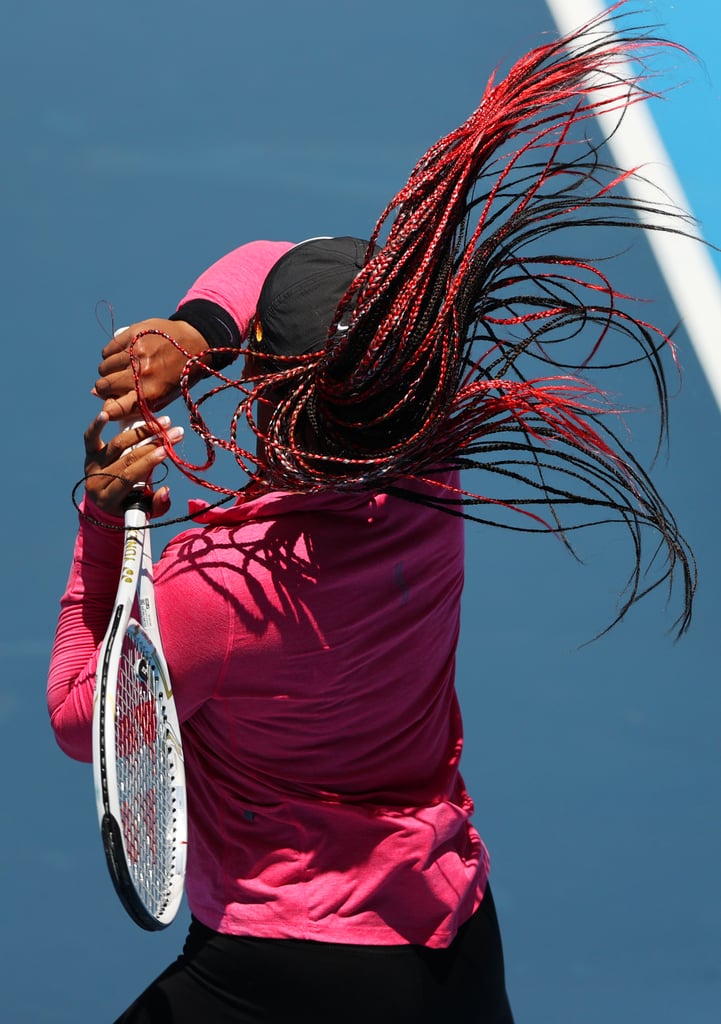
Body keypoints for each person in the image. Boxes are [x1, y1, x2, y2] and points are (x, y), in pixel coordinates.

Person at [48, 9, 696, 1023]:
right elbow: (285, 263)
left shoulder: (216, 589)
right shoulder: (434, 474)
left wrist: (100, 521)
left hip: (277, 971)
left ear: (266, 397)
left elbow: (85, 719)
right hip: (452, 947)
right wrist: (200, 330)